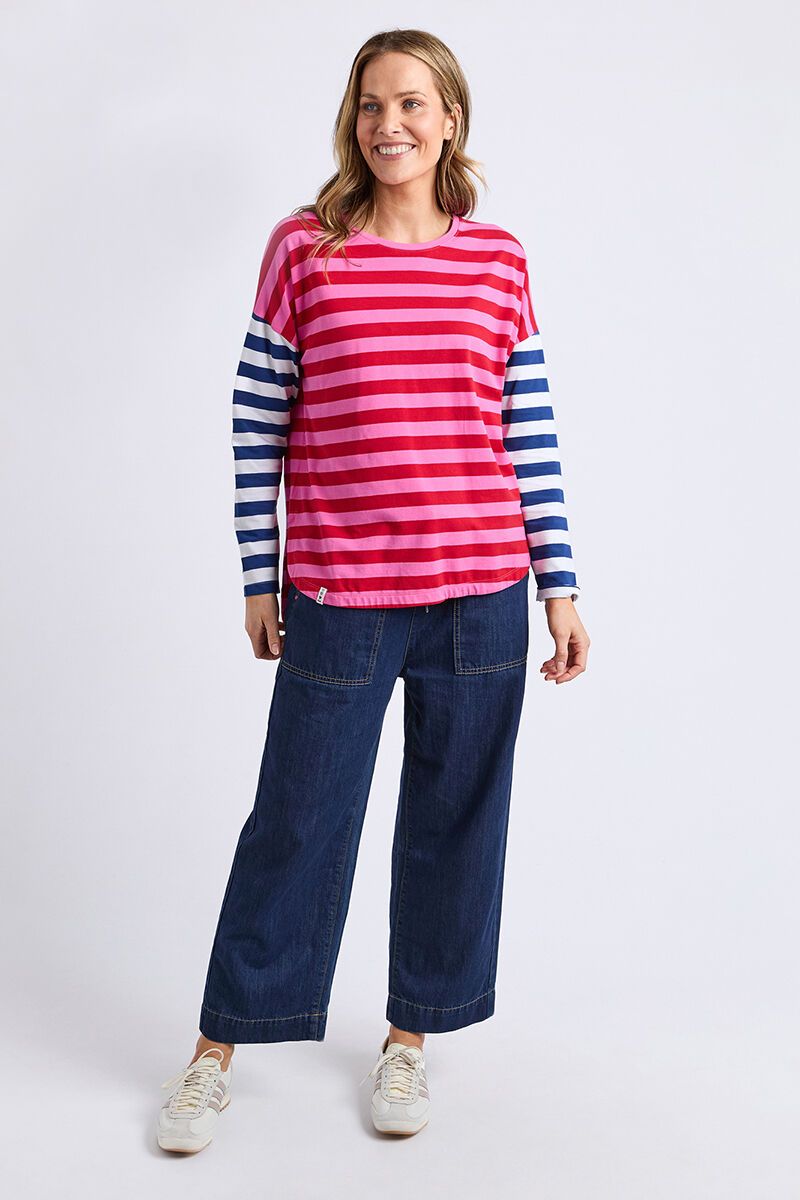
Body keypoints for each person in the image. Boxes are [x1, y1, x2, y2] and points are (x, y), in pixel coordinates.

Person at [156, 27, 590, 1154]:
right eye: (369, 105)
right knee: (297, 818)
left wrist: (559, 585)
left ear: (450, 120)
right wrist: (259, 573)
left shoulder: (498, 262)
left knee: (456, 821)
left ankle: (408, 1039)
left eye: (409, 104)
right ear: (352, 121)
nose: (387, 124)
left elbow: (528, 429)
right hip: (341, 588)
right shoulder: (306, 250)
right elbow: (257, 418)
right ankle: (215, 1049)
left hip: (481, 590)